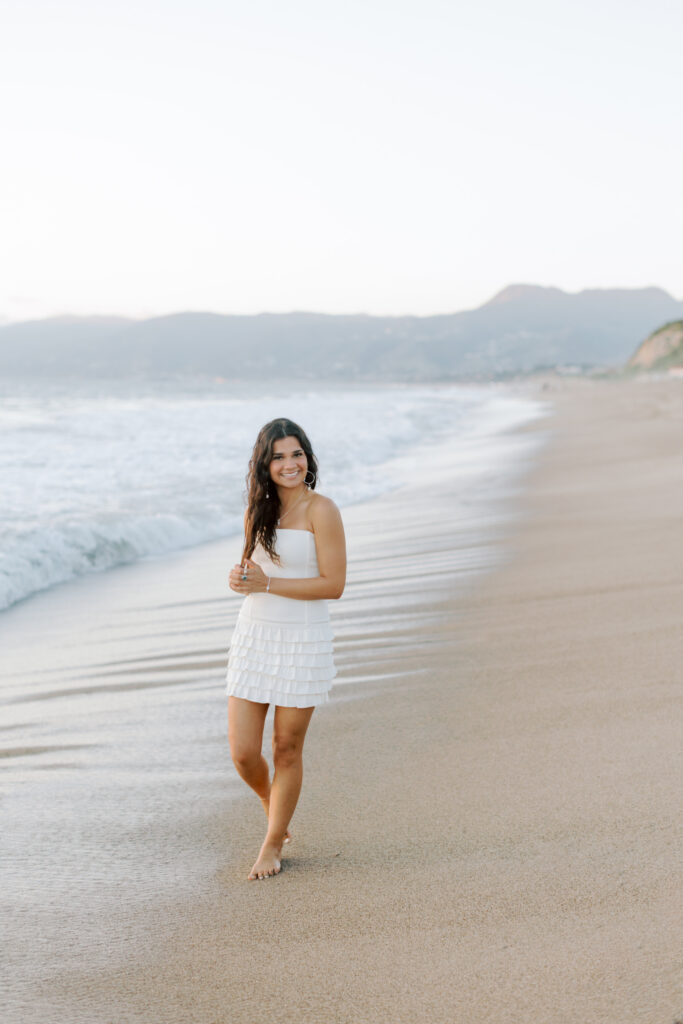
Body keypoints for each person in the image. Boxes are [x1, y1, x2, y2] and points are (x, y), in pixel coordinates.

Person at [226, 418, 346, 880]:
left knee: (286, 748)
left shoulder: (323, 510)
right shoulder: (255, 511)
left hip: (302, 639)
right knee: (242, 753)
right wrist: (239, 581)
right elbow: (249, 573)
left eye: (296, 454)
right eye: (278, 456)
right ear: (265, 464)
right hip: (255, 635)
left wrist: (268, 582)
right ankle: (269, 800)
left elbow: (333, 585)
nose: (289, 464)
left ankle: (273, 842)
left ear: (307, 459)